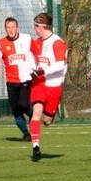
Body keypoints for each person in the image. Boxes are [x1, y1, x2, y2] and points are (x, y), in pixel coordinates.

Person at [29, 12, 68, 160]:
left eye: (36, 26)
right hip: (39, 83)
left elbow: (59, 66)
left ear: (41, 27)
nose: (35, 29)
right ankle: (36, 146)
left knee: (47, 119)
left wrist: (41, 71)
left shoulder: (57, 43)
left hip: (54, 84)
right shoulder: (36, 42)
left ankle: (50, 115)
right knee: (36, 111)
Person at [0, 17, 35, 141]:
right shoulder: (0, 43)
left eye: (13, 27)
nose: (11, 30)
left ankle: (33, 115)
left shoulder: (26, 39)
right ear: (5, 28)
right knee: (16, 111)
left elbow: (37, 50)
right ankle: (26, 134)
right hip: (11, 82)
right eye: (8, 27)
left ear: (17, 27)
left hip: (25, 79)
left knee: (24, 105)